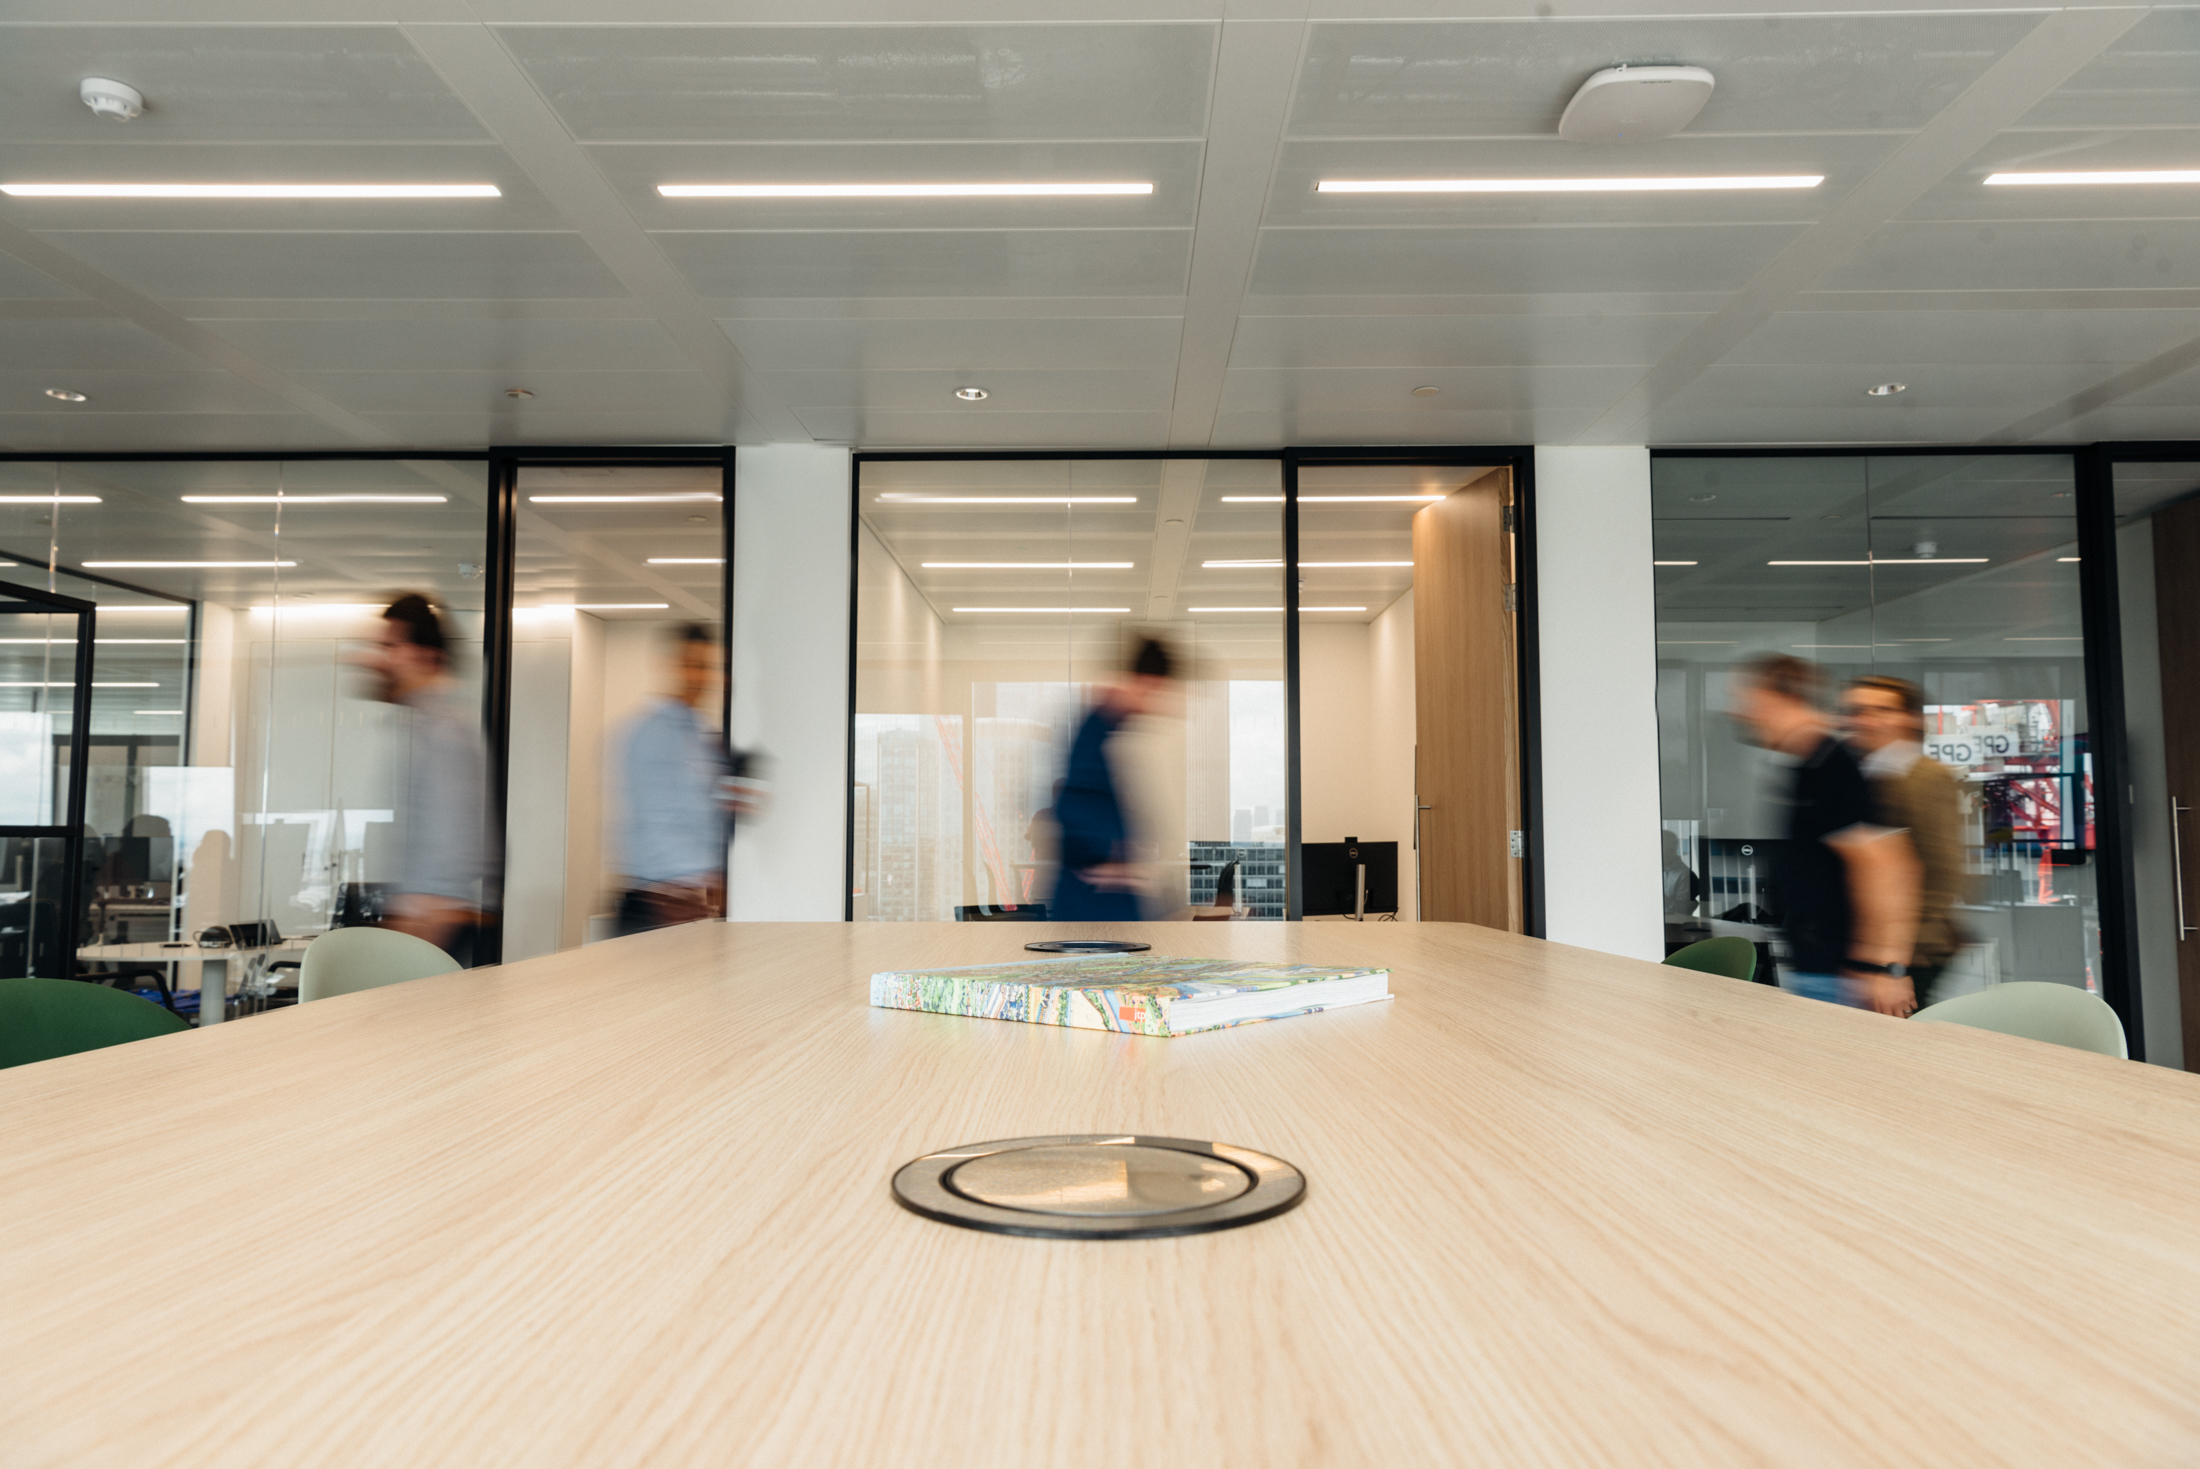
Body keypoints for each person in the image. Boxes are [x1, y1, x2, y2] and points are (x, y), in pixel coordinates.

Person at [1728, 654, 1920, 1015]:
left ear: (1770, 697)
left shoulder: (1828, 764)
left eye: (1743, 699)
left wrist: (1883, 969)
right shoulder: (1808, 762)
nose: (1738, 712)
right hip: (1824, 967)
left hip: (1844, 975)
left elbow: (1887, 867)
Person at [361, 593, 495, 964]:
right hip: (424, 917)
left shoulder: (443, 729)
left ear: (426, 654)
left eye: (391, 647)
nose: (381, 660)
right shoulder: (421, 723)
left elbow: (455, 837)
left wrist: (425, 916)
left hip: (433, 922)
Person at [1843, 674, 1973, 1009]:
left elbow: (1942, 872)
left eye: (1881, 710)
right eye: (1857, 710)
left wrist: (1894, 964)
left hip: (1910, 956)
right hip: (1869, 952)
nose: (1866, 720)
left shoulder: (1925, 777)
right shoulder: (1867, 773)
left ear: (1909, 718)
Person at [613, 623, 737, 935]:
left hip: (696, 903)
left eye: (705, 667)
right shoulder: (648, 733)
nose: (698, 677)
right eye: (690, 665)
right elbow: (657, 819)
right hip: (662, 904)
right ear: (670, 666)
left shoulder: (702, 735)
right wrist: (695, 883)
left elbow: (710, 817)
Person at [1050, 638, 1176, 921]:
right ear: (1145, 682)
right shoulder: (1095, 729)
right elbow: (1071, 805)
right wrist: (1114, 864)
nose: (1160, 705)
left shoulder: (1109, 729)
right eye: (1158, 692)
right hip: (1092, 903)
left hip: (1105, 899)